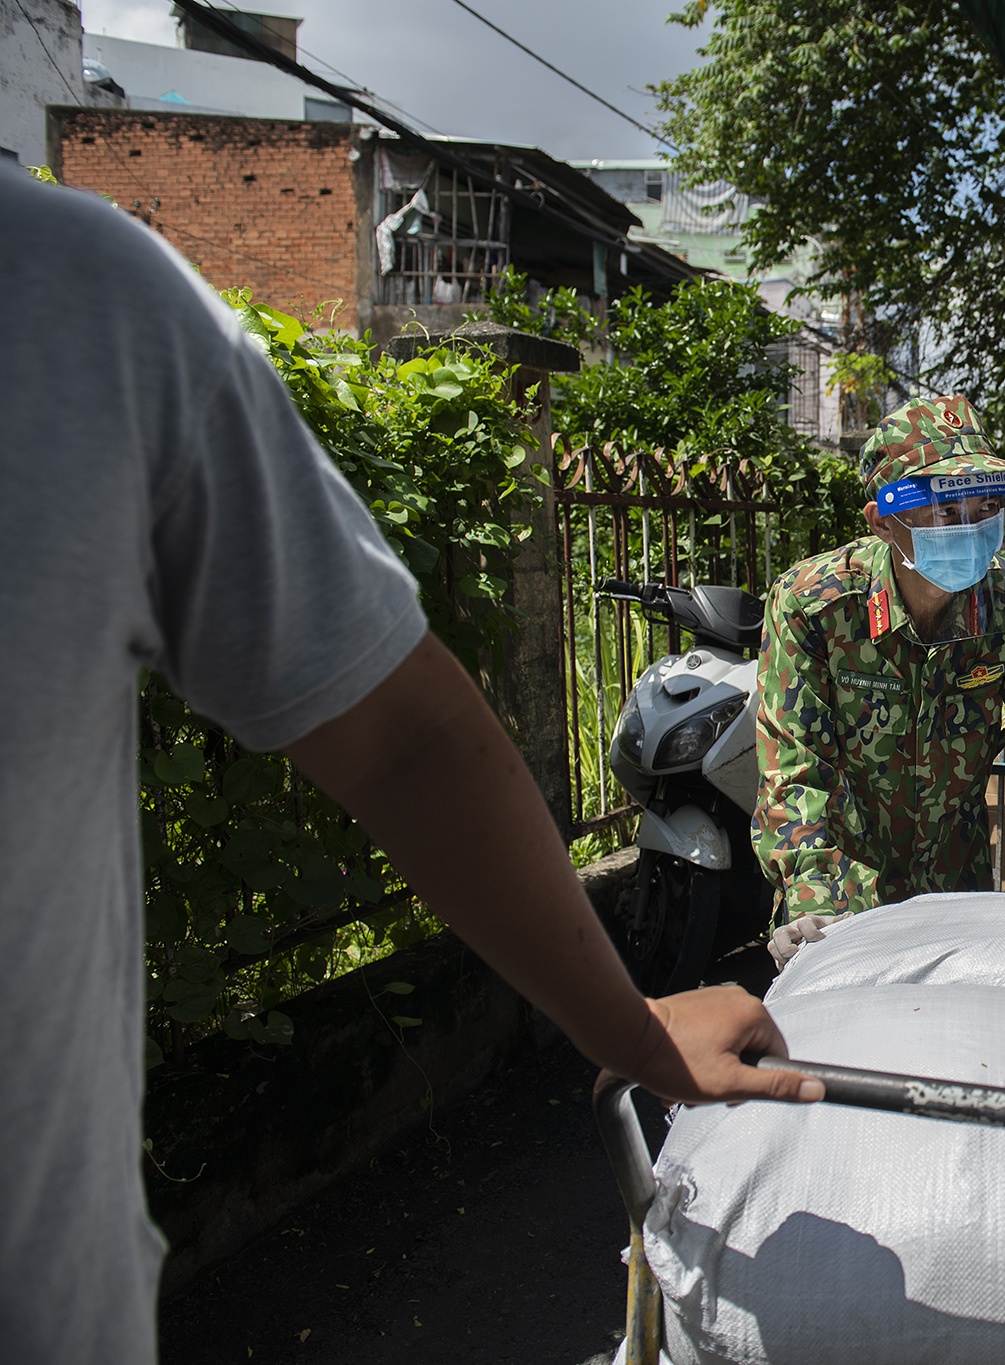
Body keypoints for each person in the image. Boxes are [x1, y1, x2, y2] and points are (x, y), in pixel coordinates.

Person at [0, 167, 815, 1365]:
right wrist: (635, 1029)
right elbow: (408, 739)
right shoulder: (82, 293)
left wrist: (631, 1034)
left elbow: (405, 740)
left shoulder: (72, 303)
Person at [754, 395, 1005, 965]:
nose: (971, 529)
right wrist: (809, 895)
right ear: (884, 521)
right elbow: (795, 769)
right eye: (947, 511)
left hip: (958, 890)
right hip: (842, 905)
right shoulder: (815, 606)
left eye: (985, 507)